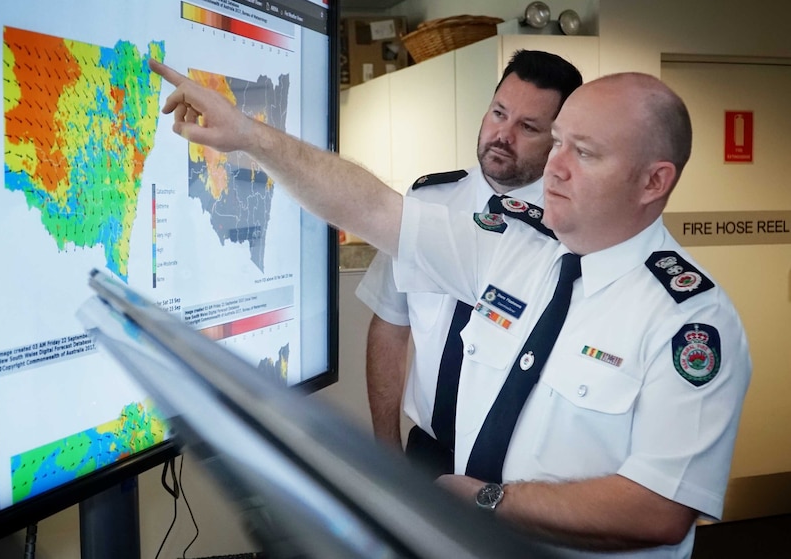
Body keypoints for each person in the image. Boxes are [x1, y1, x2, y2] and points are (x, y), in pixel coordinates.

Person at [148, 60, 752, 557]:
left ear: (653, 182)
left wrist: (491, 501)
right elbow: (372, 209)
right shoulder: (512, 247)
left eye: (585, 153)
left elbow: (660, 509)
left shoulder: (690, 322)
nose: (556, 168)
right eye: (560, 142)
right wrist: (253, 137)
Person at [354, 50, 582, 479]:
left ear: (559, 139)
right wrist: (386, 450)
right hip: (430, 452)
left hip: (523, 468)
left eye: (528, 127)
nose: (503, 135)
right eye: (499, 113)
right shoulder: (428, 204)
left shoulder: (571, 232)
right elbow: (389, 324)